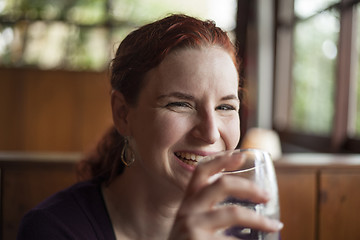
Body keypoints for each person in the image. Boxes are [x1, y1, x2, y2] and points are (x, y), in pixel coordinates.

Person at [17, 14, 283, 239]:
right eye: (180, 104)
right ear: (123, 114)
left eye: (225, 107)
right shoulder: (53, 229)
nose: (211, 133)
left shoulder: (245, 221)